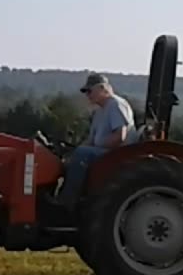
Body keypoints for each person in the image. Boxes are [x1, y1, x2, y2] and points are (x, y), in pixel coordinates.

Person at [56, 73, 134, 208]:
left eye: (89, 91)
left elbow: (120, 136)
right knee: (74, 154)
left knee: (82, 154)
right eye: (86, 92)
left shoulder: (115, 104)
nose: (87, 95)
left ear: (103, 88)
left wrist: (91, 148)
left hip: (116, 153)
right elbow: (91, 140)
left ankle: (67, 201)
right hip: (103, 151)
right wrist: (71, 154)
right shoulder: (100, 111)